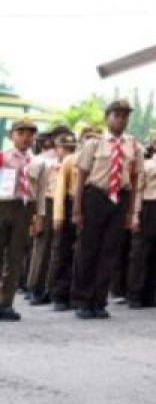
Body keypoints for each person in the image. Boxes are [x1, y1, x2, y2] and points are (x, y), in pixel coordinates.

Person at [72, 99, 144, 320]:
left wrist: (132, 212)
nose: (122, 119)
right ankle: (84, 301)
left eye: (125, 116)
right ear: (107, 117)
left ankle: (99, 301)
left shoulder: (134, 146)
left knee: (109, 252)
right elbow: (82, 176)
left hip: (119, 198)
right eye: (117, 115)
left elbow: (133, 179)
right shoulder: (94, 143)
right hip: (96, 196)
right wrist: (77, 209)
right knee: (89, 250)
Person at [0, 119, 48, 321]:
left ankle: (5, 304)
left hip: (24, 208)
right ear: (12, 136)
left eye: (30, 134)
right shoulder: (3, 158)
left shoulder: (38, 162)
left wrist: (39, 217)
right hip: (2, 205)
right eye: (21, 133)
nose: (26, 138)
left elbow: (41, 192)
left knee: (15, 258)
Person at [127, 131, 156, 309]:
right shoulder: (146, 165)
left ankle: (150, 294)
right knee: (141, 253)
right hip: (148, 206)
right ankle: (135, 294)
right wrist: (135, 214)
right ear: (155, 144)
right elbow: (138, 190)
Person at [50, 127, 95, 311]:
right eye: (89, 138)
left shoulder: (100, 163)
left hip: (91, 205)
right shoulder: (71, 160)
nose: (93, 142)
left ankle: (77, 295)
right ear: (82, 141)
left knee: (84, 253)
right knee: (64, 252)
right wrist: (59, 214)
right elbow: (60, 189)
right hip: (70, 205)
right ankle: (60, 295)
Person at [25, 126, 71, 306]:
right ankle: (35, 287)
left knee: (57, 248)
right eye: (59, 139)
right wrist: (35, 214)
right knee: (42, 247)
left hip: (63, 201)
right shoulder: (40, 161)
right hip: (46, 202)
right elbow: (33, 189)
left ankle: (50, 288)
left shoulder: (69, 160)